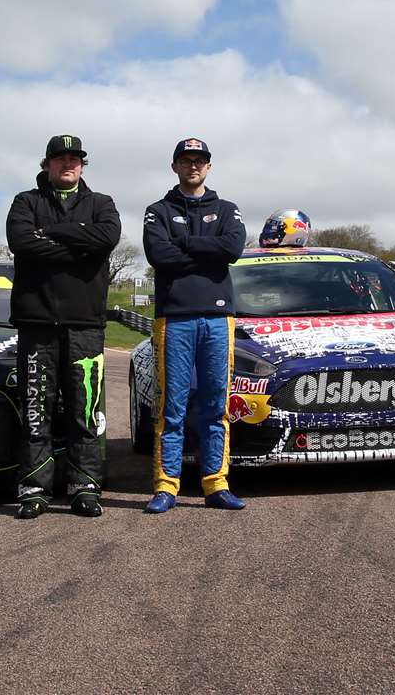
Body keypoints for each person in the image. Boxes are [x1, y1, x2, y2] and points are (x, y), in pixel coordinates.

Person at [5, 135, 121, 519]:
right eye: (60, 159)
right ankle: (34, 488)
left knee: (84, 412)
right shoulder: (26, 202)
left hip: (85, 323)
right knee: (37, 409)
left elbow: (106, 238)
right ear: (47, 164)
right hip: (36, 323)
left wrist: (52, 233)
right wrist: (78, 244)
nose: (67, 164)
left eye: (74, 159)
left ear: (83, 166)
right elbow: (21, 242)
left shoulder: (102, 204)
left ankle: (85, 487)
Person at [140, 138, 248, 513]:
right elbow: (159, 255)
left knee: (216, 404)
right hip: (174, 318)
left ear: (209, 166)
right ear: (175, 167)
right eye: (186, 161)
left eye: (199, 161)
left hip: (219, 319)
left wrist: (184, 242)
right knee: (173, 405)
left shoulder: (227, 209)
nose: (193, 167)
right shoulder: (157, 211)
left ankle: (216, 484)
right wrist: (207, 251)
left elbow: (232, 250)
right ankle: (166, 486)